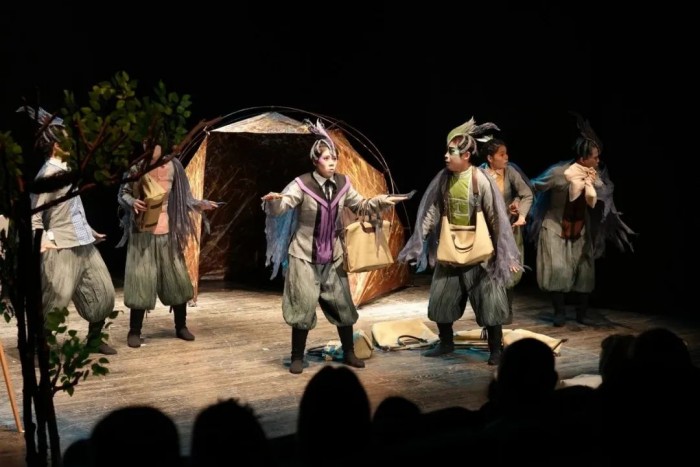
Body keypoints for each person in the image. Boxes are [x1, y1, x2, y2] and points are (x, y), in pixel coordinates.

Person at [261, 119, 409, 374]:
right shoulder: (302, 185)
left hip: (333, 255)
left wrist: (383, 201)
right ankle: (297, 356)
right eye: (327, 158)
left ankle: (349, 352)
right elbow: (282, 206)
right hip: (304, 255)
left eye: (334, 158)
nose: (332, 163)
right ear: (315, 161)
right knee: (302, 305)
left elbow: (361, 206)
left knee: (343, 305)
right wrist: (273, 201)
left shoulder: (343, 184)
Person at [397, 117, 522, 366]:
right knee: (441, 299)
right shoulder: (443, 180)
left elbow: (496, 218)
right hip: (451, 249)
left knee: (491, 303)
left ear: (466, 155)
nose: (446, 156)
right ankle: (446, 342)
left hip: (480, 252)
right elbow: (431, 212)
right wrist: (418, 242)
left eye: (451, 152)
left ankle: (495, 349)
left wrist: (504, 252)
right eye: (447, 150)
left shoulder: (480, 180)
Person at [21, 106, 117, 355]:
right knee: (55, 302)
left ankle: (95, 340)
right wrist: (43, 243)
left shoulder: (65, 172)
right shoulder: (48, 175)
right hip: (61, 247)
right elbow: (34, 215)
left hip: (83, 244)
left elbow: (72, 210)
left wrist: (89, 231)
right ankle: (40, 348)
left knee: (103, 292)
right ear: (55, 145)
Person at [527, 112, 635, 327]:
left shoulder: (595, 175)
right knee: (558, 269)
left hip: (580, 225)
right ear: (583, 158)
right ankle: (559, 312)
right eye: (595, 157)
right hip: (555, 225)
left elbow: (603, 197)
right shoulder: (559, 173)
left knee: (584, 270)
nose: (598, 160)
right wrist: (522, 206)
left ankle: (582, 313)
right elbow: (533, 185)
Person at [117, 142, 218, 348]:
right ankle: (134, 330)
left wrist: (199, 204)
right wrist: (132, 202)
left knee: (177, 281)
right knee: (141, 282)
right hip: (143, 234)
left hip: (167, 233)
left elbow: (183, 197)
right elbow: (122, 194)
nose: (149, 147)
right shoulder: (137, 168)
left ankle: (181, 326)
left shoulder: (174, 166)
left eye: (153, 144)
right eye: (146, 143)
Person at [479, 138, 534, 321]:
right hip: (487, 232)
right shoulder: (479, 174)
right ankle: (492, 309)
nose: (506, 157)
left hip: (509, 230)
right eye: (501, 155)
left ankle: (507, 309)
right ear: (490, 158)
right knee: (489, 270)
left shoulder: (510, 172)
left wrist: (521, 213)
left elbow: (526, 194)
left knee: (510, 270)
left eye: (506, 153)